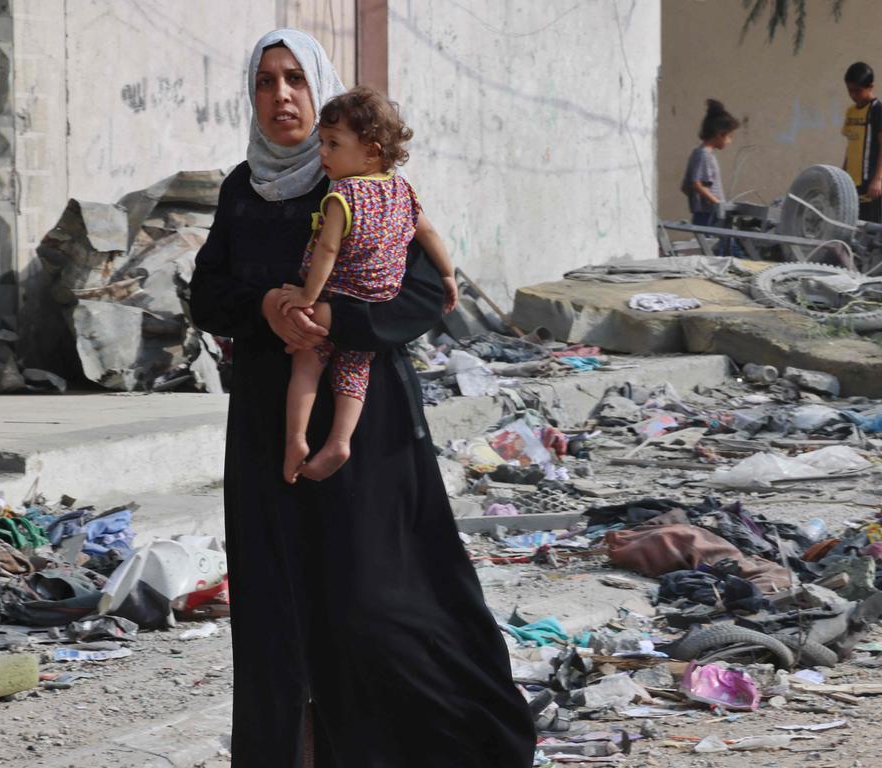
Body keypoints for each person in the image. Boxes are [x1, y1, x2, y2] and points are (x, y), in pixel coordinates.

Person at [188, 28, 535, 768]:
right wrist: (267, 308)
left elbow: (417, 296)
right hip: (266, 417)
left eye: (295, 81)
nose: (281, 96)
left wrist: (331, 318)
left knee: (376, 599)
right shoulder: (241, 189)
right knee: (278, 605)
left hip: (364, 419)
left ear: (321, 91)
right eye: (265, 81)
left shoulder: (361, 182)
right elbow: (208, 291)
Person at [276, 86, 457, 484]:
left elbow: (326, 249)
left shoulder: (343, 195)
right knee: (353, 374)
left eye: (333, 144)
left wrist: (307, 296)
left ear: (371, 151)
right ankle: (341, 441)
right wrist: (447, 274)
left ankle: (296, 438)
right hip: (378, 300)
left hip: (337, 293)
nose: (322, 153)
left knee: (306, 363)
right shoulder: (401, 188)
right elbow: (428, 233)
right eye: (321, 142)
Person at [681, 99, 740, 228]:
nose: (730, 142)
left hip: (703, 214)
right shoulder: (704, 156)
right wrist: (718, 204)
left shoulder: (697, 153)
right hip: (710, 215)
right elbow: (697, 184)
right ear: (720, 135)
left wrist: (698, 202)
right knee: (730, 247)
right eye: (730, 137)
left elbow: (686, 187)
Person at [842, 61, 882, 223]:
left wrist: (878, 180)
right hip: (852, 184)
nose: (853, 95)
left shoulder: (877, 110)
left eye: (857, 91)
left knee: (872, 231)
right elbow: (850, 146)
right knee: (851, 227)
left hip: (872, 185)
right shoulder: (850, 112)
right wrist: (842, 174)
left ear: (870, 87)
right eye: (850, 91)